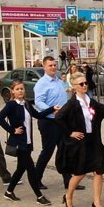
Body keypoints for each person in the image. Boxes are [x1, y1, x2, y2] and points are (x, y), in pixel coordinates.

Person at [54, 72, 104, 207]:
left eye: (85, 83)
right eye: (81, 84)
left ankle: (97, 203)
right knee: (79, 173)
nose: (85, 86)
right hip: (81, 143)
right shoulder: (72, 104)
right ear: (74, 86)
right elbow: (58, 118)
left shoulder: (91, 101)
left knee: (99, 170)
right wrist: (70, 132)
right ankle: (68, 195)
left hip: (94, 141)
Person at [0, 79, 51, 205]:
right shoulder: (11, 105)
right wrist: (12, 130)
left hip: (27, 143)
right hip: (19, 143)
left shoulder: (26, 104)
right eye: (17, 89)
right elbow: (0, 118)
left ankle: (9, 192)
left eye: (21, 88)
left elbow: (38, 115)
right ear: (12, 91)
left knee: (20, 169)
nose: (20, 91)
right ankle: (39, 196)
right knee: (31, 169)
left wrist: (52, 109)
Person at [33, 55, 67, 188]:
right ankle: (36, 179)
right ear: (44, 67)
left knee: (64, 150)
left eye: (54, 65)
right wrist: (51, 109)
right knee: (47, 151)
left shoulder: (58, 80)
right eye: (50, 65)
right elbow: (38, 102)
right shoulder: (42, 83)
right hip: (48, 122)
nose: (53, 67)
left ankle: (68, 180)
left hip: (61, 121)